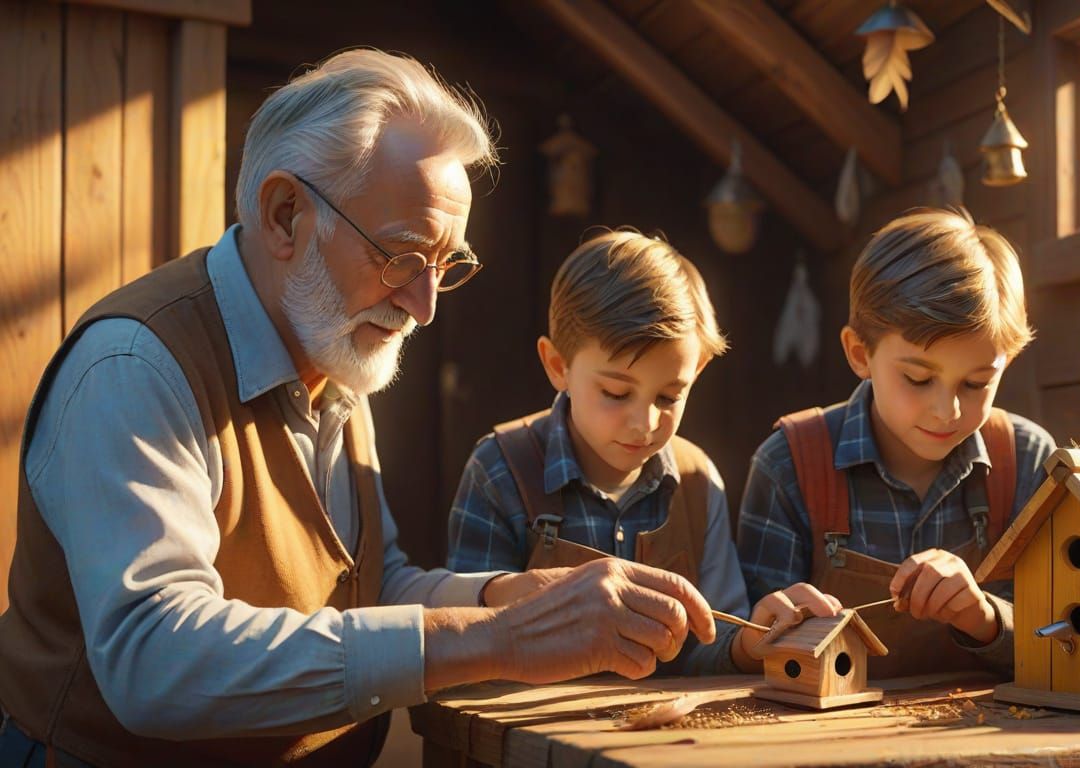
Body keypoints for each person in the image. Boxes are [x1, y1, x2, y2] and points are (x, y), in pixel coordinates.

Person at [0, 49, 718, 768]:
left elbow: (370, 587)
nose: (424, 306)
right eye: (403, 257)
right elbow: (152, 662)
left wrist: (511, 600)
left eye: (447, 266)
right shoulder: (135, 366)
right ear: (286, 215)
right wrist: (495, 641)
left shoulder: (335, 348)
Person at [446, 230, 840, 676]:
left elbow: (711, 641)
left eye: (669, 396)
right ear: (559, 366)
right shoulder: (500, 470)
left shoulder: (696, 481)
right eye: (615, 393)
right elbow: (471, 642)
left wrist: (750, 642)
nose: (646, 423)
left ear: (698, 372)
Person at [736, 208, 1057, 680]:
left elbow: (1068, 639)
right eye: (918, 378)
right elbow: (746, 652)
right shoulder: (789, 464)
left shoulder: (1026, 460)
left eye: (975, 384)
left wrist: (987, 620)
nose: (947, 410)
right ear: (859, 353)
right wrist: (770, 635)